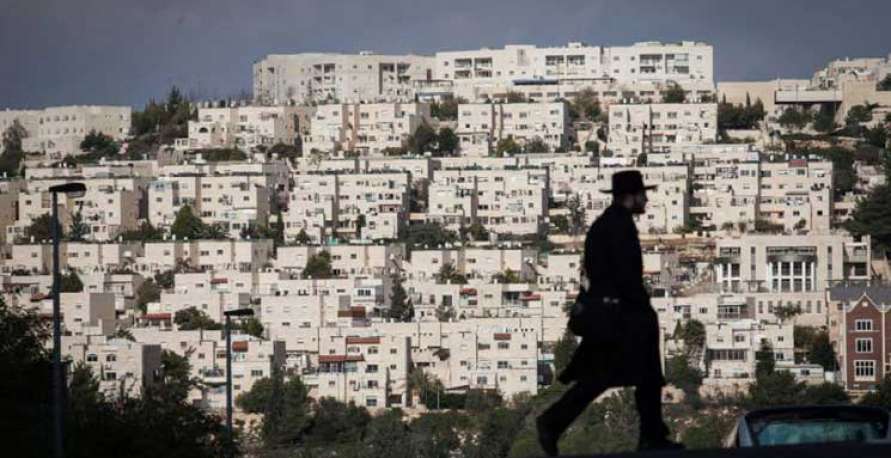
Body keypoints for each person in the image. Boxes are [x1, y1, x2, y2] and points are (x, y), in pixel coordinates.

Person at [536, 170, 683, 456]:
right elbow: (625, 275)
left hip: (613, 316)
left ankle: (554, 423)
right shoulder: (618, 226)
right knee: (640, 376)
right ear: (631, 196)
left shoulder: (608, 224)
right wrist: (640, 311)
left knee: (607, 378)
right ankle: (650, 436)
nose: (646, 199)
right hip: (622, 318)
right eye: (642, 194)